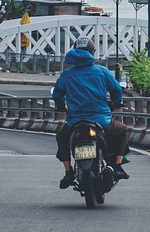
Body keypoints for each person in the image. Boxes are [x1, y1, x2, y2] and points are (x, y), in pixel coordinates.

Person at [50, 36, 129, 189]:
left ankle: (68, 171)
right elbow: (116, 89)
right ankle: (117, 166)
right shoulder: (101, 71)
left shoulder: (68, 74)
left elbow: (57, 94)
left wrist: (61, 106)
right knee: (122, 130)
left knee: (62, 137)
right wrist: (117, 102)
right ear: (92, 52)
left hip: (76, 121)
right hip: (101, 120)